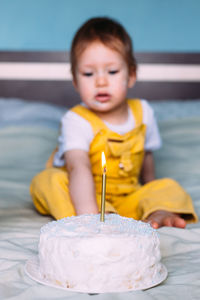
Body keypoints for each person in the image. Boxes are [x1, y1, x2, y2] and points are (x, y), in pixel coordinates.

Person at [30, 17, 198, 229]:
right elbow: (77, 167)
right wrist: (92, 217)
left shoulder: (143, 113)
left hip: (129, 198)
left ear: (131, 75)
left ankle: (157, 213)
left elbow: (147, 158)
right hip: (86, 197)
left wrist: (153, 193)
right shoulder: (77, 120)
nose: (101, 81)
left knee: (168, 186)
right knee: (49, 182)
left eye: (112, 71)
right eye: (88, 73)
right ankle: (98, 219)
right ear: (75, 81)